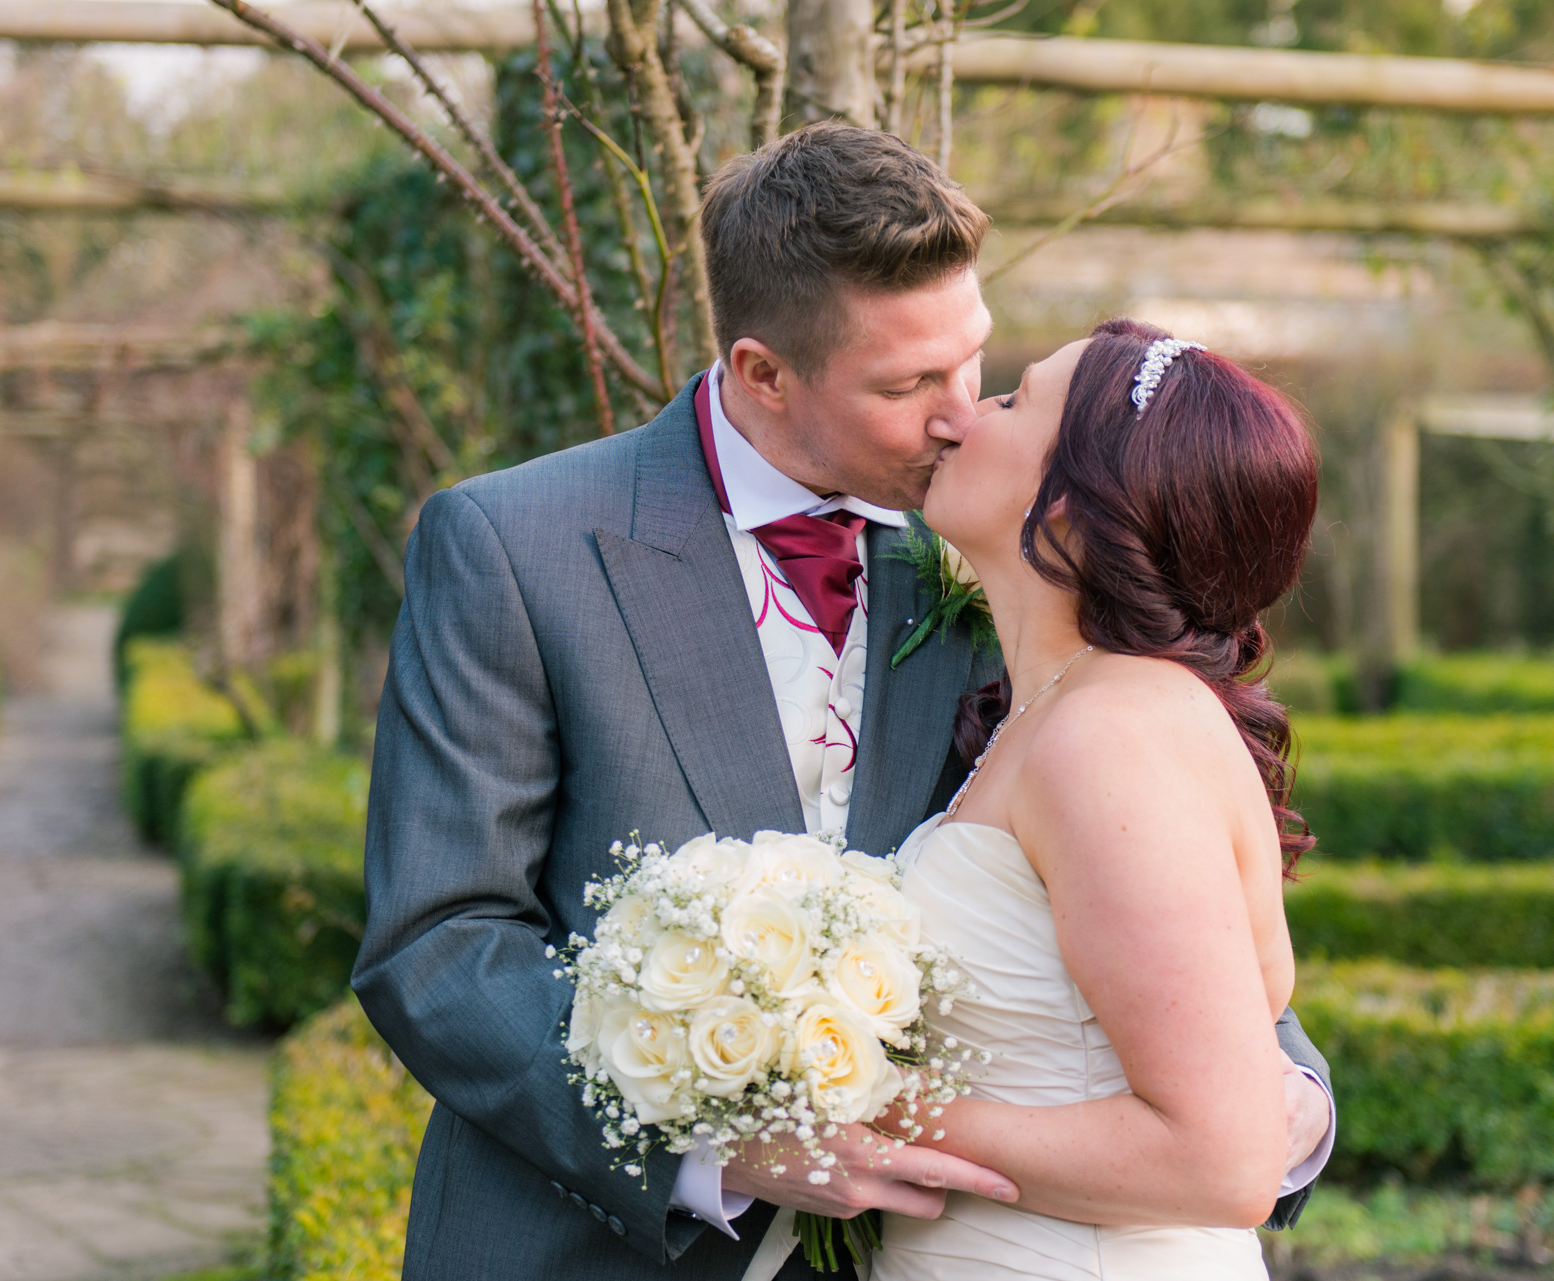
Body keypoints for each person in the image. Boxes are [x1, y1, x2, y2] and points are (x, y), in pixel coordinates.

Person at [352, 123, 1334, 1281]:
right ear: (764, 372)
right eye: (909, 383)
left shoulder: (1010, 559)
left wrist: (1287, 1107)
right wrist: (718, 1151)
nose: (961, 412)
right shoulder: (517, 548)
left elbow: (1150, 908)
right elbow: (441, 943)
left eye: (976, 361)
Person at [870, 319, 1325, 1279]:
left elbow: (1227, 1159)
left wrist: (859, 1109)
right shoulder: (1055, 709)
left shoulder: (1111, 737)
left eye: (1011, 399)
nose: (964, 412)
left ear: (1070, 505)